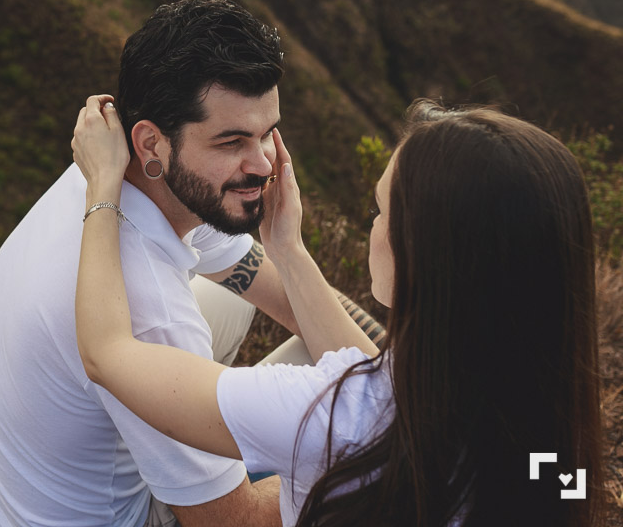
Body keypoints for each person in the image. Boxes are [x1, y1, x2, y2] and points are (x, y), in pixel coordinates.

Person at [72, 96, 604, 527]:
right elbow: (381, 389)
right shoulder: (547, 424)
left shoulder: (321, 415)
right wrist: (287, 250)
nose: (372, 224)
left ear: (420, 255)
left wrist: (102, 187)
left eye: (379, 210)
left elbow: (106, 353)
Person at [0, 0, 304, 527]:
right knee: (338, 419)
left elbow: (283, 291)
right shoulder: (154, 314)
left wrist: (399, 358)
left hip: (9, 484)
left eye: (265, 135)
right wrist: (341, 459)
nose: (261, 165)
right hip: (105, 517)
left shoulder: (111, 164)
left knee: (238, 302)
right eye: (232, 141)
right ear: (151, 144)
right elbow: (235, 522)